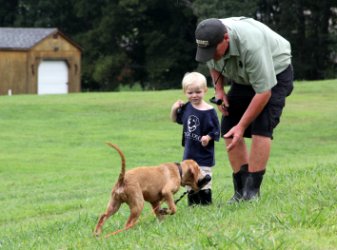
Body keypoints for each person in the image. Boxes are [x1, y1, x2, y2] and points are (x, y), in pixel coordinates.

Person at [194, 17, 294, 202]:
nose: (210, 55)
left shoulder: (251, 45)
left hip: (274, 73)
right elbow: (212, 63)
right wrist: (219, 90)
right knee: (229, 123)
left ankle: (252, 192)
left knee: (261, 125)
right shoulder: (209, 38)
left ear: (225, 38)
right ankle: (240, 190)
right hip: (244, 77)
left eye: (212, 51)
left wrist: (242, 126)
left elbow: (263, 92)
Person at [170, 72, 220, 206]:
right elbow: (175, 119)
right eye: (190, 93)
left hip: (204, 154)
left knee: (204, 178)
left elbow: (216, 130)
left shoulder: (210, 111)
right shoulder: (186, 108)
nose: (194, 95)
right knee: (189, 178)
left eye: (198, 92)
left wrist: (208, 137)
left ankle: (206, 203)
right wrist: (174, 109)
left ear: (205, 90)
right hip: (189, 153)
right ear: (185, 92)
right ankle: (193, 204)